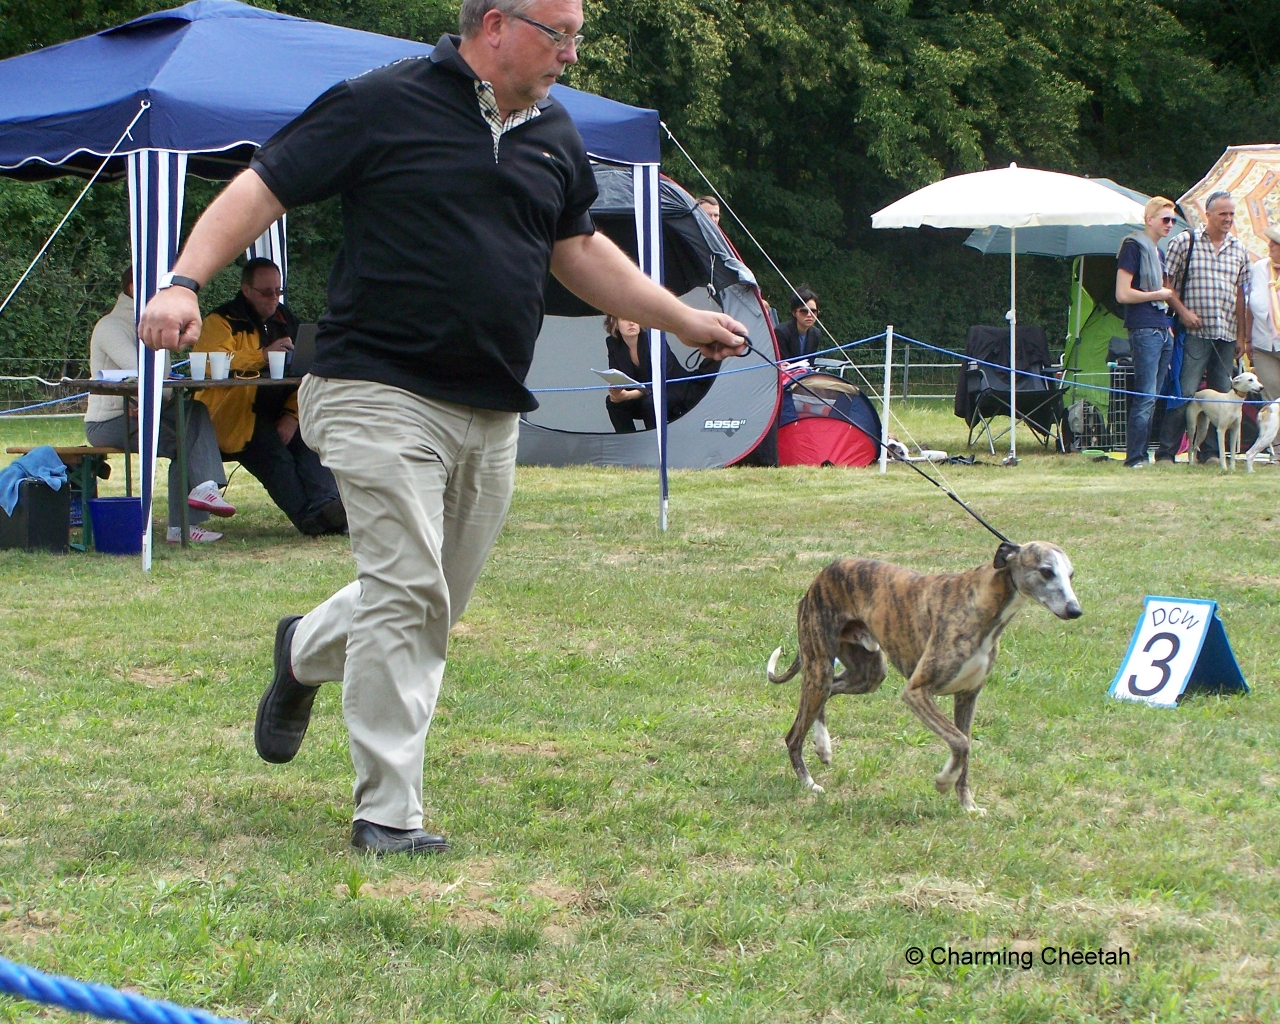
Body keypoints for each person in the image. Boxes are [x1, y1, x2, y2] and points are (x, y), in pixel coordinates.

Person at [137, 0, 746, 856]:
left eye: (577, 36)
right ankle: (388, 813)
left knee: (433, 599)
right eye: (558, 35)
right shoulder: (380, 102)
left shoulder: (555, 134)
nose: (571, 53)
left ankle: (304, 650)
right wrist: (184, 281)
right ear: (495, 25)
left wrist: (676, 318)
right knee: (411, 593)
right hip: (374, 389)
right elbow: (263, 185)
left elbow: (577, 252)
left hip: (490, 408)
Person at [194, 259, 346, 536]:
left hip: (280, 410)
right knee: (275, 456)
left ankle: (330, 508)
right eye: (266, 292)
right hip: (235, 417)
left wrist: (291, 416)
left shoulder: (286, 320)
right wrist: (263, 355)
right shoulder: (221, 321)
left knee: (310, 445)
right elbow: (209, 363)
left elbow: (306, 371)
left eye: (278, 291)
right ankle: (310, 519)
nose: (274, 298)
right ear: (246, 290)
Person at [85, 268, 234, 543]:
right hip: (107, 422)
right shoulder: (110, 326)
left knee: (195, 412)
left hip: (141, 412)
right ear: (133, 287)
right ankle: (183, 523)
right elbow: (144, 375)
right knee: (184, 439)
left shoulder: (153, 325)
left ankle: (202, 490)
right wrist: (143, 398)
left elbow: (160, 385)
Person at [1154, 190, 1251, 462]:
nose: (1228, 218)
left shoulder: (1239, 249)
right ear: (1207, 214)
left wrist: (1242, 337)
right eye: (1223, 213)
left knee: (1222, 394)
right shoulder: (1185, 242)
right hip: (1194, 333)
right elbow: (1166, 285)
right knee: (1184, 392)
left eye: (1232, 214)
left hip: (1227, 333)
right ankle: (1166, 453)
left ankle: (1210, 454)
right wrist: (1183, 312)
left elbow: (1241, 296)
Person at [1114, 197, 1180, 468]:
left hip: (1162, 327)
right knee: (1145, 395)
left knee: (1155, 395)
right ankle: (1135, 457)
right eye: (1165, 219)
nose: (1170, 225)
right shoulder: (1133, 247)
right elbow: (1122, 293)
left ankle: (1144, 453)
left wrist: (1168, 324)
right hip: (1143, 329)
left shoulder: (1158, 252)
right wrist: (1158, 294)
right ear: (1149, 219)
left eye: (1173, 221)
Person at [602, 315, 716, 432]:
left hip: (672, 389)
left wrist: (631, 395)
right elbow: (616, 374)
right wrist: (617, 391)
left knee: (650, 403)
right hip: (645, 394)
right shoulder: (613, 343)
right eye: (625, 319)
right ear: (614, 323)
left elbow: (662, 377)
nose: (632, 322)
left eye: (635, 317)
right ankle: (628, 444)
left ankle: (655, 444)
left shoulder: (653, 338)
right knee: (612, 403)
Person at [1244, 226, 1280, 398]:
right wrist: (1248, 339)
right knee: (1270, 403)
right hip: (1263, 346)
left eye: (1276, 242)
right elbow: (1250, 304)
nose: (1270, 244)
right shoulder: (1258, 268)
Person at [775, 287, 821, 362]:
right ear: (794, 313)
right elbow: (782, 363)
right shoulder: (781, 332)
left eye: (813, 311)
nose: (809, 315)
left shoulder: (816, 333)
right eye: (804, 311)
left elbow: (811, 362)